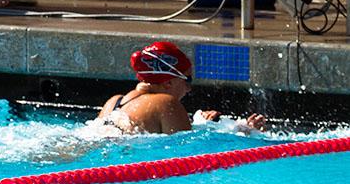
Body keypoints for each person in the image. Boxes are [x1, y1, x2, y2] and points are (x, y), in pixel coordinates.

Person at [97, 41, 266, 134]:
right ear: (168, 82)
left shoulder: (114, 102)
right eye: (188, 80)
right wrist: (245, 133)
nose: (189, 89)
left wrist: (204, 126)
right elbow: (190, 151)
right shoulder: (166, 103)